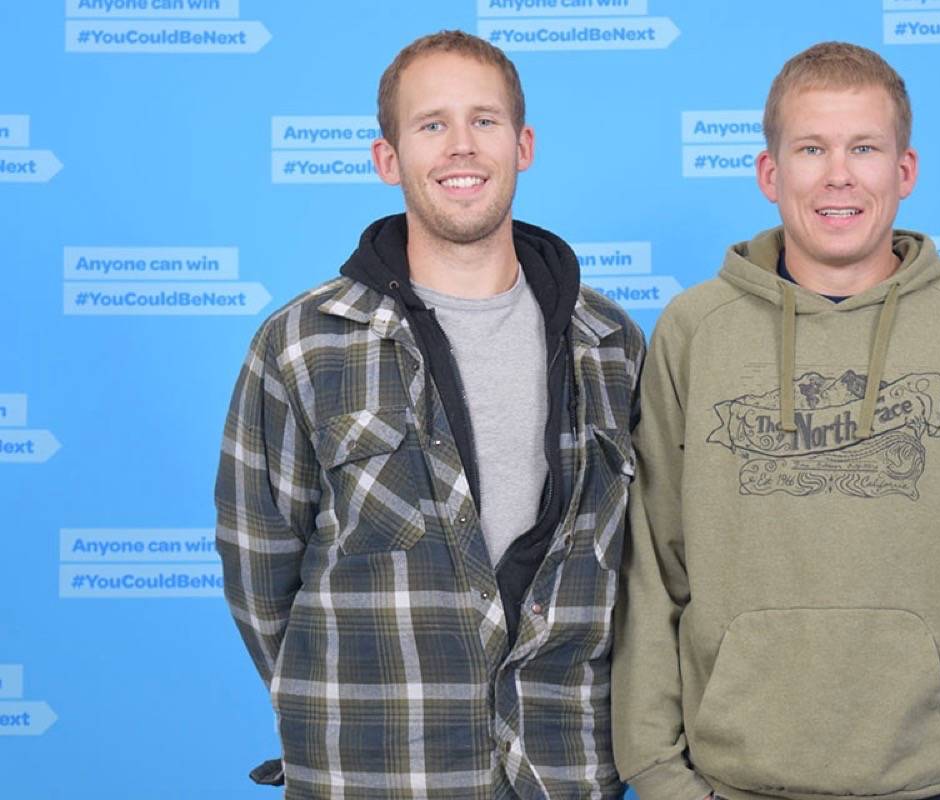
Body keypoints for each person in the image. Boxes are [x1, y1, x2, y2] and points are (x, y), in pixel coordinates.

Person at [612, 41, 940, 800]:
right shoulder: (695, 329)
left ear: (905, 170)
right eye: (812, 148)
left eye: (864, 147)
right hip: (730, 779)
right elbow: (650, 567)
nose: (839, 174)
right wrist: (658, 773)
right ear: (771, 174)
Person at [215, 30, 642, 800]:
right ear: (389, 159)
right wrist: (349, 707)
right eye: (432, 124)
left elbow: (638, 571)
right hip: (373, 775)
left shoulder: (609, 343)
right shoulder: (304, 343)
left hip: (565, 774)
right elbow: (259, 569)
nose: (461, 146)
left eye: (484, 120)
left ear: (523, 145)